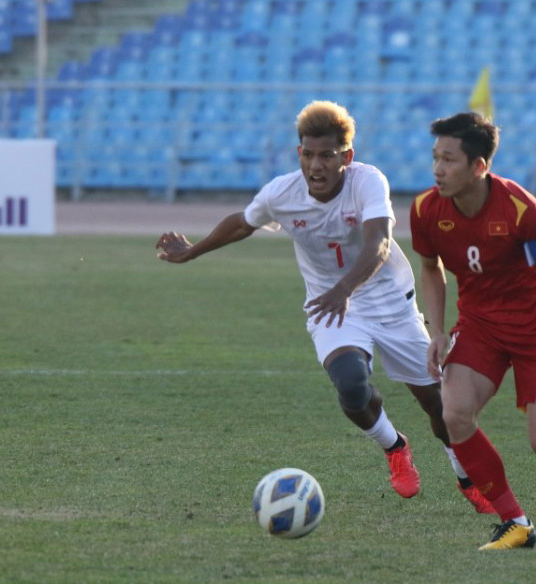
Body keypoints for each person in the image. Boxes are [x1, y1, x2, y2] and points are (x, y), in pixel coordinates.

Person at [155, 101, 492, 514]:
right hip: (334, 309)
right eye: (308, 154)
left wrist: (344, 287)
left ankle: (464, 474)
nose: (316, 165)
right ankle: (394, 446)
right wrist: (192, 252)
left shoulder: (367, 182)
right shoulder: (283, 193)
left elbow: (379, 243)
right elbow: (243, 221)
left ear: (345, 157)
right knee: (351, 386)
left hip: (391, 305)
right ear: (299, 153)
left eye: (327, 155)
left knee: (437, 405)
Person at [409, 112, 536, 550]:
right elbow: (431, 270)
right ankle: (516, 523)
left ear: (479, 166)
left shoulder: (521, 210)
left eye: (449, 160)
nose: (438, 169)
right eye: (435, 158)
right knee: (453, 412)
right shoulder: (425, 209)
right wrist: (437, 331)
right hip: (480, 326)